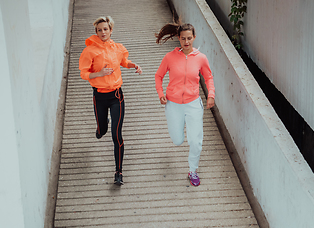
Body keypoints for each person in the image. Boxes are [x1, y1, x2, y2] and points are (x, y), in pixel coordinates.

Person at [79, 16, 142, 186]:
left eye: (105, 29)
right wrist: (99, 74)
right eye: (99, 30)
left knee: (117, 135)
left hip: (116, 97)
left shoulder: (118, 48)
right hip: (99, 96)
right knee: (102, 131)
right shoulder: (89, 51)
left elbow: (124, 62)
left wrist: (134, 65)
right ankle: (101, 126)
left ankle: (118, 172)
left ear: (111, 30)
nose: (103, 32)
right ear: (96, 32)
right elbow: (83, 73)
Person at [155, 22, 215, 186]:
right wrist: (161, 94)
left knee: (196, 141)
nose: (186, 42)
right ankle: (179, 133)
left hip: (193, 104)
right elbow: (158, 76)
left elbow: (208, 77)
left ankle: (193, 170)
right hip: (173, 105)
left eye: (189, 38)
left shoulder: (201, 58)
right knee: (177, 140)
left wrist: (211, 95)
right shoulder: (169, 57)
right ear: (178, 39)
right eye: (183, 39)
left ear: (194, 37)